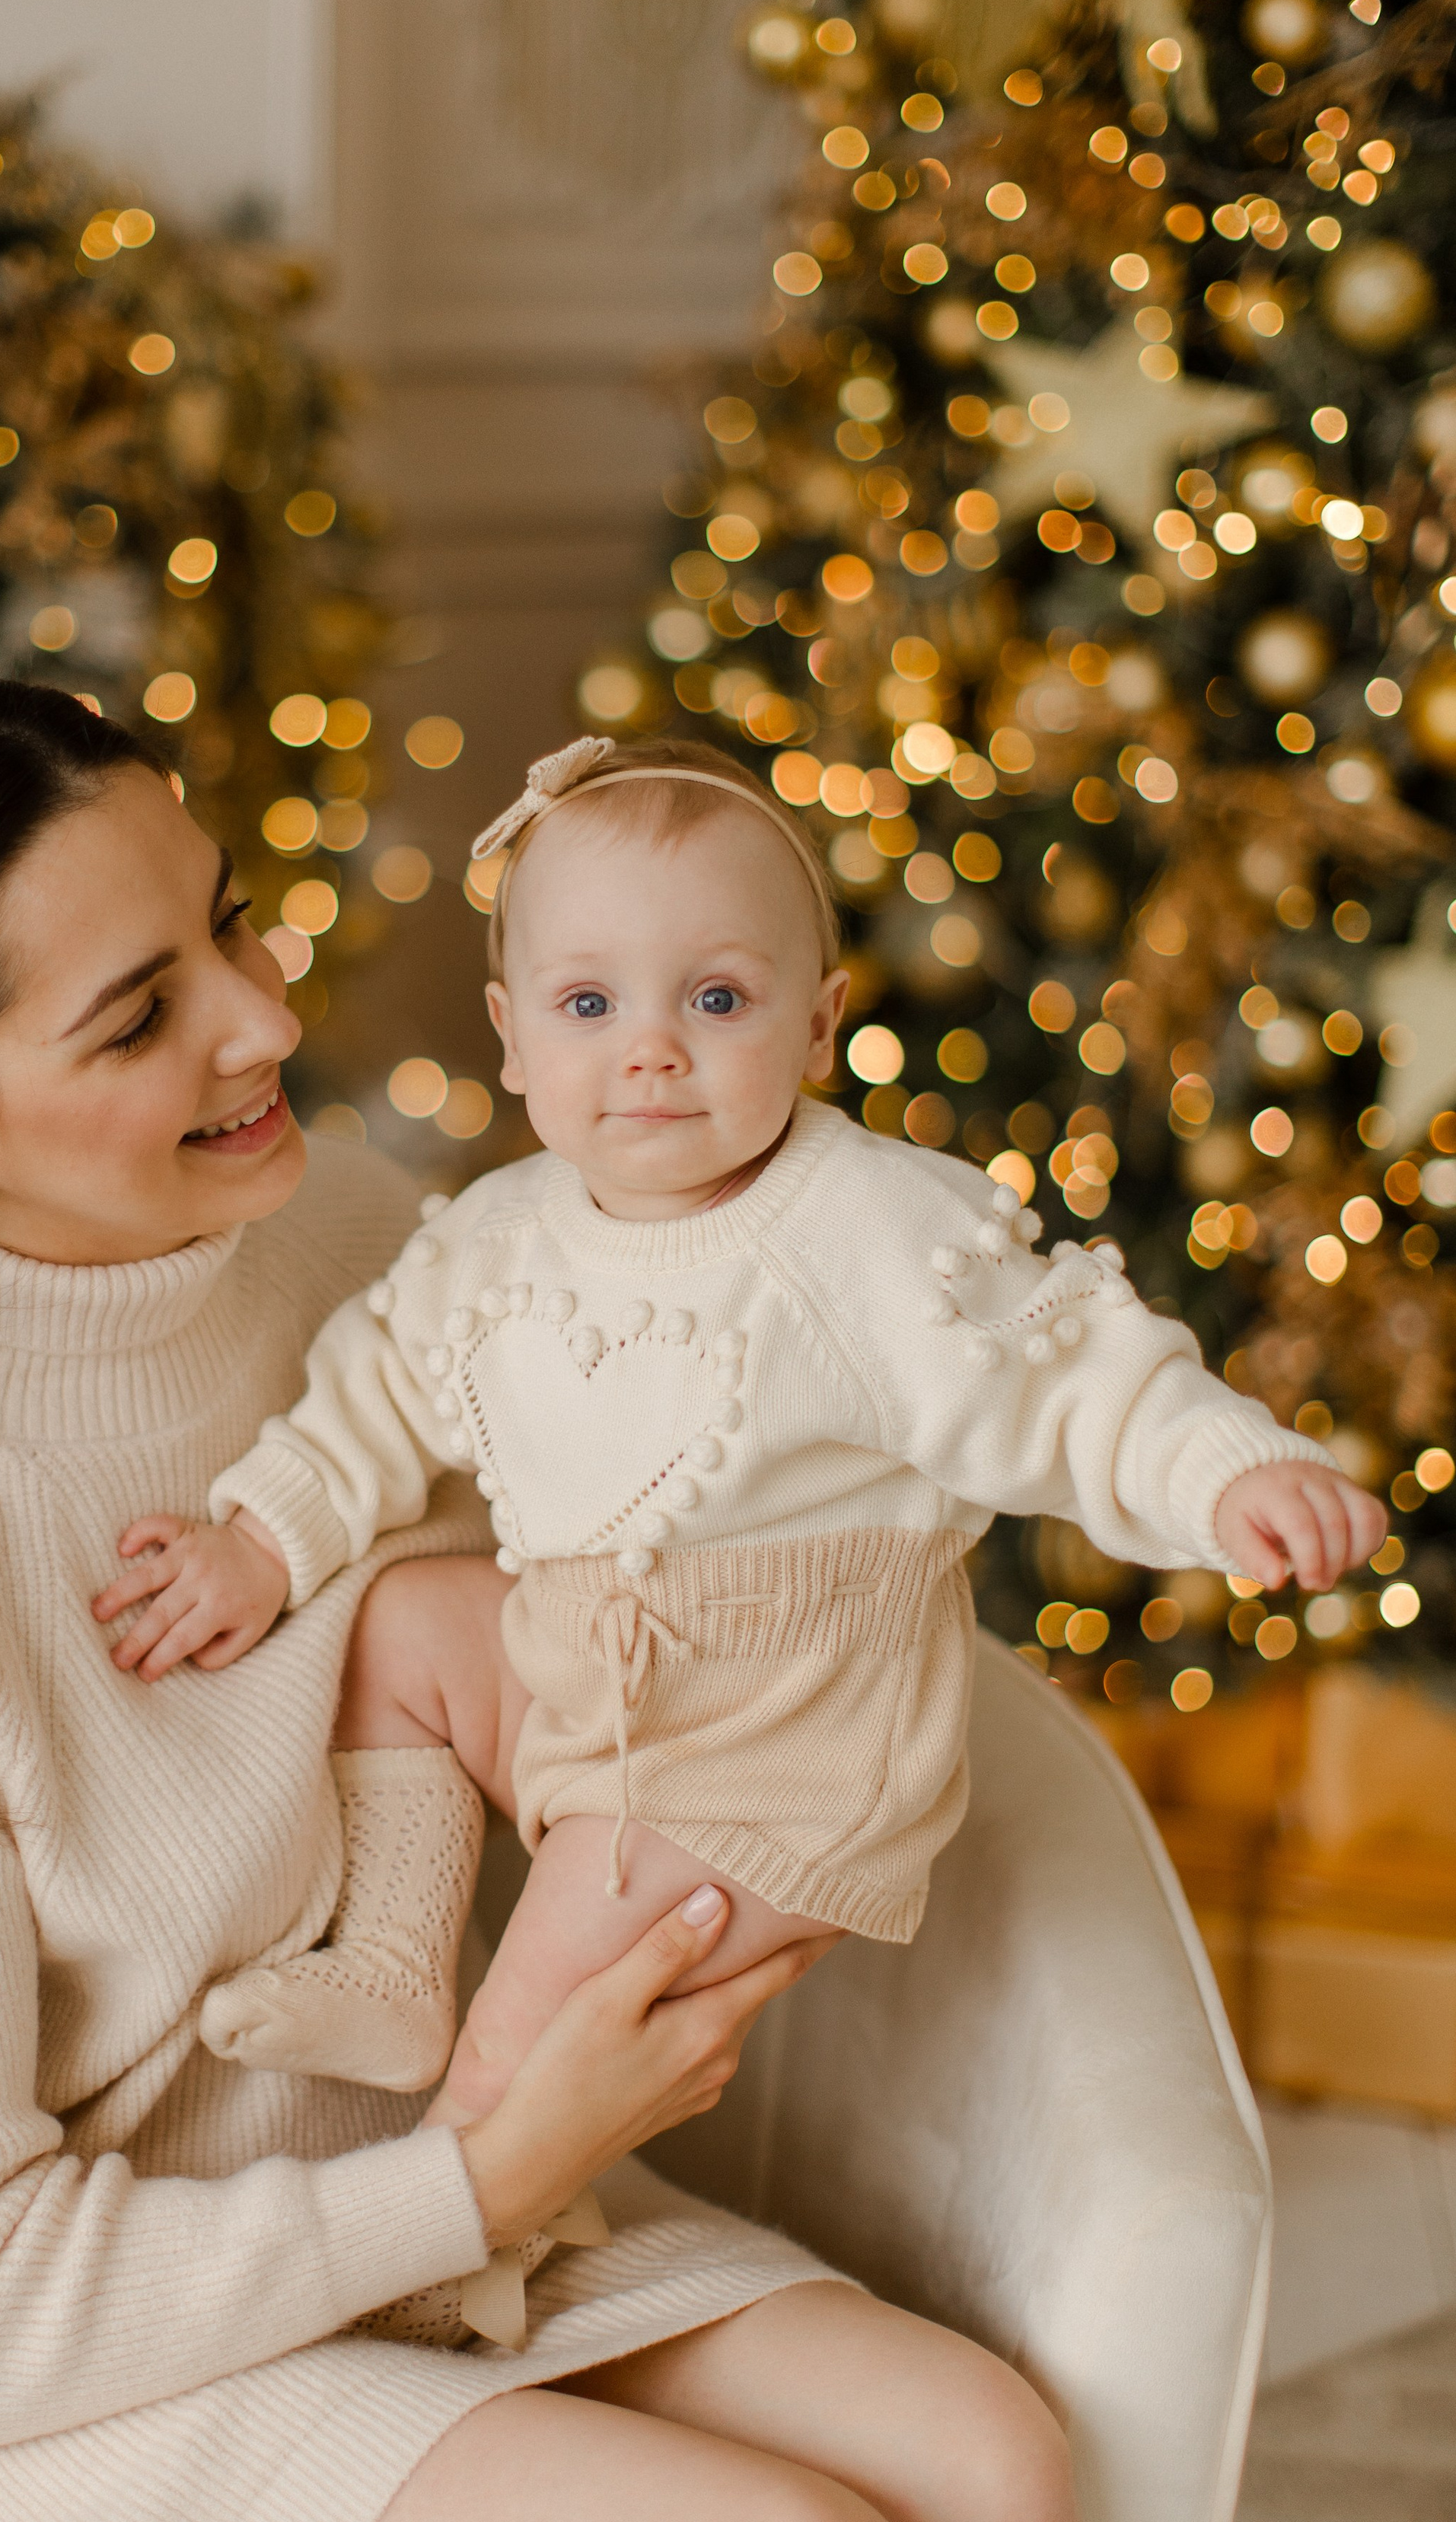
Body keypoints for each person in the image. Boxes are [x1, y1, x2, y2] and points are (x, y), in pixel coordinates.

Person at [0, 675, 1094, 2522]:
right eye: (140, 1015)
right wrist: (484, 2170)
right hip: (71, 2399)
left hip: (415, 2207)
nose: (265, 1020)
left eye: (230, 919)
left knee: (986, 2465)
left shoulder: (355, 1243)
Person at [98, 733, 1384, 2345]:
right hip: (595, 1689)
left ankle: (455, 2261)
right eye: (588, 1007)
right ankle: (392, 1958)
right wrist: (261, 1549)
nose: (649, 1054)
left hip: (771, 1747)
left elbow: (1073, 1376)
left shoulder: (867, 1235)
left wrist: (1226, 1474)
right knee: (400, 1624)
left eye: (713, 1001)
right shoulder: (496, 1240)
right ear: (511, 1035)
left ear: (818, 1018)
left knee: (549, 2000)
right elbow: (366, 1404)